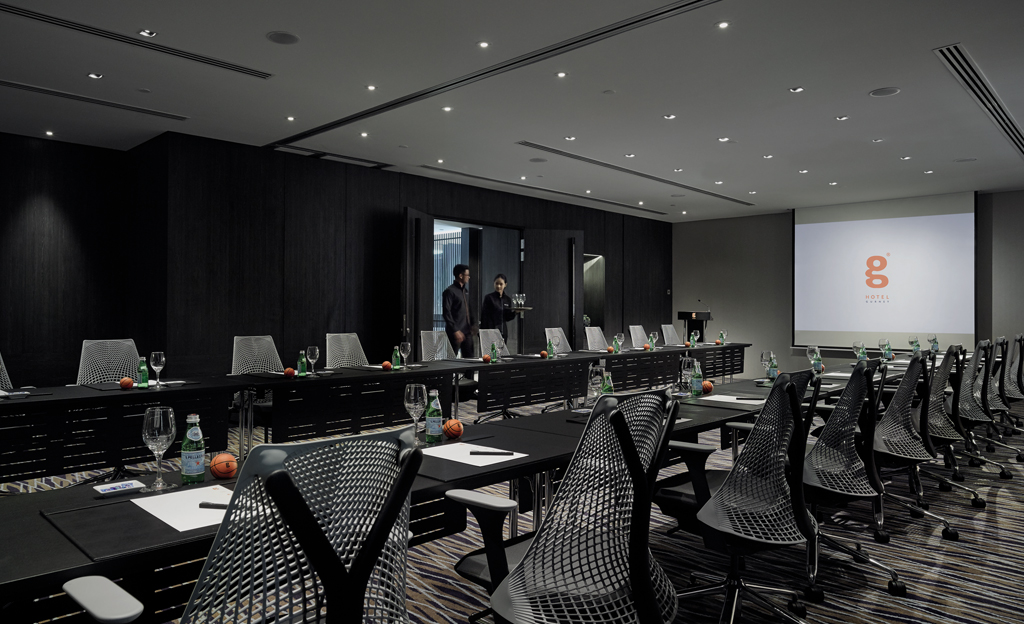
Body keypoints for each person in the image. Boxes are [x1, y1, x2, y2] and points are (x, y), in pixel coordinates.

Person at [442, 264, 476, 358]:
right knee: (451, 359)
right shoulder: (449, 291)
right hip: (454, 332)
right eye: (467, 275)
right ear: (460, 275)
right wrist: (455, 330)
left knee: (470, 359)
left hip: (467, 331)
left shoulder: (466, 291)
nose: (469, 277)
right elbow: (446, 313)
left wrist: (473, 324)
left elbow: (469, 309)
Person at [480, 273, 517, 345]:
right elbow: (484, 316)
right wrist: (483, 332)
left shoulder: (507, 299)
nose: (498, 286)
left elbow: (507, 317)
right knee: (491, 351)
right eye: (496, 283)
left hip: (503, 331)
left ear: (505, 285)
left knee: (502, 351)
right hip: (491, 330)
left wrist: (515, 312)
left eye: (501, 284)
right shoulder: (489, 298)